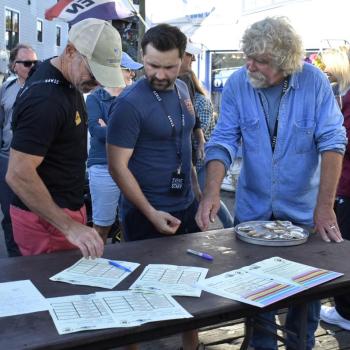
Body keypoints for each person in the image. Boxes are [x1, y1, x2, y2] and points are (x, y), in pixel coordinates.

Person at [195, 17, 346, 350]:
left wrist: (325, 208)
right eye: (248, 56)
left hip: (304, 214)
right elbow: (223, 139)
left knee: (305, 301)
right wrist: (211, 192)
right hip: (253, 211)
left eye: (261, 61)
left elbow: (333, 142)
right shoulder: (238, 83)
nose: (250, 65)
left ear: (286, 63)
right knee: (256, 297)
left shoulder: (315, 83)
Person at [107, 23, 203, 350]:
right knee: (141, 293)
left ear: (184, 60)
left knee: (189, 286)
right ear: (141, 59)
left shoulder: (184, 89)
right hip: (143, 213)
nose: (161, 74)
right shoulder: (130, 103)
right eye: (153, 66)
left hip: (185, 204)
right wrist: (149, 212)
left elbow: (185, 145)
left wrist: (199, 197)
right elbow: (117, 167)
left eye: (170, 67)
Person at [5, 18, 125, 259]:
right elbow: (18, 173)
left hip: (60, 211)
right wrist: (69, 226)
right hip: (46, 220)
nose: (98, 81)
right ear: (70, 51)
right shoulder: (46, 99)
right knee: (55, 291)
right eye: (93, 71)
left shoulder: (65, 76)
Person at [86, 52, 143, 243]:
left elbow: (144, 131)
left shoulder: (136, 97)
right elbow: (96, 131)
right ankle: (94, 266)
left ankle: (128, 263)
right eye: (128, 71)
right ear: (115, 71)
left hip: (132, 167)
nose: (132, 75)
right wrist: (128, 132)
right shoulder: (95, 98)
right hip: (103, 166)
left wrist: (109, 128)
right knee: (102, 225)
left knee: (131, 222)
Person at [319, 46, 350, 330]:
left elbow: (338, 141)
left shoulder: (344, 98)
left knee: (341, 252)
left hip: (346, 189)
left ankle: (345, 311)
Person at [0, 43, 37, 257]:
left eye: (35, 62)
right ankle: (15, 260)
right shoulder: (6, 88)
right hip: (7, 158)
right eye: (26, 63)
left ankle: (36, 260)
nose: (32, 66)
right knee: (9, 213)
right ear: (14, 66)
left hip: (35, 161)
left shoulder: (43, 87)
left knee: (32, 214)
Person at [190, 70, 234, 228]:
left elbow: (205, 128)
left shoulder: (200, 101)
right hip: (190, 159)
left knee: (207, 194)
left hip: (201, 158)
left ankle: (230, 225)